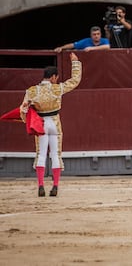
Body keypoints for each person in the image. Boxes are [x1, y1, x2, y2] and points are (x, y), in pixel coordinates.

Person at [19, 53, 82, 197]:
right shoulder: (56, 88)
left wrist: (27, 119)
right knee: (55, 154)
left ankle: (41, 185)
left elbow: (23, 110)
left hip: (41, 125)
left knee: (41, 154)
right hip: (54, 122)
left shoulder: (32, 91)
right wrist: (75, 63)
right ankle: (55, 186)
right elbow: (75, 81)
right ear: (53, 77)